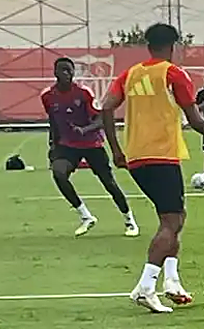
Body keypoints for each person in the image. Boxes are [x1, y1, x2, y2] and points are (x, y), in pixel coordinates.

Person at [100, 23, 204, 314]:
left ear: (149, 46)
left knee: (176, 216)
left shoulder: (130, 74)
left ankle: (172, 281)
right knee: (170, 223)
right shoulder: (173, 74)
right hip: (161, 155)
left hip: (136, 157)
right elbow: (195, 119)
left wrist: (117, 150)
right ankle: (145, 286)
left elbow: (106, 106)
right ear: (173, 46)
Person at [41, 57, 138, 237]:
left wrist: (84, 130)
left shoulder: (83, 93)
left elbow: (100, 119)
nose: (66, 73)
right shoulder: (47, 96)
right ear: (55, 72)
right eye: (62, 70)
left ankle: (129, 219)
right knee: (59, 173)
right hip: (67, 145)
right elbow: (53, 121)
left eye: (69, 70)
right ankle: (85, 216)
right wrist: (53, 145)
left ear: (73, 72)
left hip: (91, 143)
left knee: (108, 182)